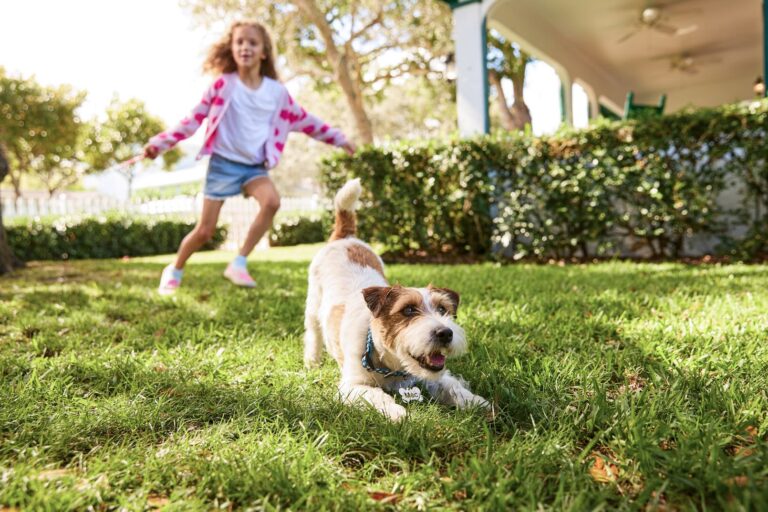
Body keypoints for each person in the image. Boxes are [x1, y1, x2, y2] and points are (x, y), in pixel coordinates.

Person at [143, 20, 355, 295]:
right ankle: (175, 269)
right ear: (232, 49)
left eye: (252, 43)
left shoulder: (276, 94)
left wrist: (340, 140)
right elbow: (192, 120)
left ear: (263, 52)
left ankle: (239, 262)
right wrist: (159, 144)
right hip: (222, 165)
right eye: (239, 42)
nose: (245, 47)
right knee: (205, 231)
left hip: (253, 167)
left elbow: (307, 121)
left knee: (272, 201)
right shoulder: (223, 86)